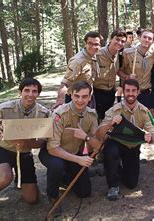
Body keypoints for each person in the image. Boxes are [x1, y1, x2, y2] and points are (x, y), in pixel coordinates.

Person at [0, 78, 50, 216]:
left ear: (38, 94)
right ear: (20, 92)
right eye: (27, 90)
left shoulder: (44, 114)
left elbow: (42, 142)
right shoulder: (4, 108)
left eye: (34, 91)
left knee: (32, 199)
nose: (30, 94)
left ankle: (21, 178)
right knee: (5, 177)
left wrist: (27, 143)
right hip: (3, 150)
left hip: (24, 153)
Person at [40, 80, 102, 216]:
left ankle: (63, 177)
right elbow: (52, 148)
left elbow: (98, 145)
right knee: (57, 166)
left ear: (90, 97)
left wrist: (86, 137)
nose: (80, 100)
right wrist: (78, 160)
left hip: (74, 152)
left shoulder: (92, 114)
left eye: (85, 96)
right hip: (53, 153)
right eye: (77, 96)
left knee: (84, 192)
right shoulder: (59, 114)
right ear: (71, 95)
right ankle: (53, 196)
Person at [96, 79, 154, 201]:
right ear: (123, 92)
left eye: (133, 91)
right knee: (111, 151)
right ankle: (113, 185)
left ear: (138, 92)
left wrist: (150, 137)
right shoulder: (114, 110)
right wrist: (111, 124)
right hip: (115, 144)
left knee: (131, 184)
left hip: (132, 147)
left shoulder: (144, 111)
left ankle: (112, 168)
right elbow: (99, 134)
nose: (130, 94)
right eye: (127, 90)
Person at [52, 31, 102, 110]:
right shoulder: (78, 61)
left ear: (99, 46)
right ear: (85, 44)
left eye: (96, 44)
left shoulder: (94, 57)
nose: (93, 46)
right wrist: (60, 100)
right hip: (76, 100)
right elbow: (65, 83)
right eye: (90, 43)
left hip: (88, 98)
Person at [118, 29, 154, 110]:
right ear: (140, 38)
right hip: (131, 92)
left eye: (150, 38)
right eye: (144, 37)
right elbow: (119, 71)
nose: (147, 40)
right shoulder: (127, 53)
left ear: (153, 41)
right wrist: (127, 77)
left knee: (145, 120)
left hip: (146, 93)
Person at [93, 29, 127, 121]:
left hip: (110, 93)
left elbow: (117, 70)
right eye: (117, 39)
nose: (120, 43)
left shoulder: (119, 55)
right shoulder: (98, 54)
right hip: (97, 93)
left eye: (123, 41)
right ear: (111, 39)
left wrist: (126, 77)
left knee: (107, 119)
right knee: (96, 119)